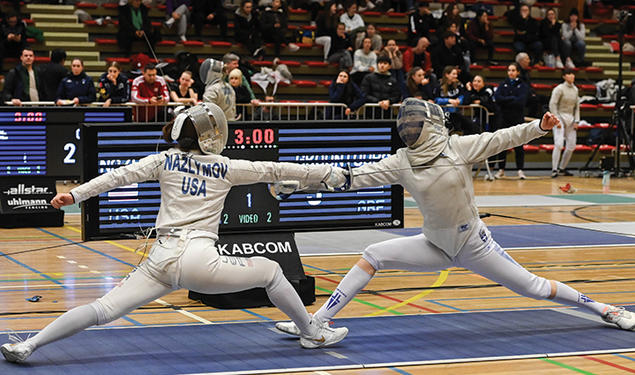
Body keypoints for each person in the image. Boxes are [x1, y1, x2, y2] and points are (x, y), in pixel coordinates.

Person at [0, 103, 350, 364]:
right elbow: (276, 168)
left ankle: (28, 344)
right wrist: (327, 174)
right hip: (200, 259)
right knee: (273, 271)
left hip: (161, 259)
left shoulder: (164, 160)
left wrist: (74, 194)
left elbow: (117, 176)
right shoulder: (227, 167)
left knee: (102, 308)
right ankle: (311, 332)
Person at [274, 98, 635, 339]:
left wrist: (538, 128)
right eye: (406, 123)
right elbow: (352, 177)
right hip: (434, 243)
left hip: (473, 244)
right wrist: (303, 183)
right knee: (374, 254)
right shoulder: (402, 160)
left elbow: (501, 138)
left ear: (430, 125)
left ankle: (607, 309)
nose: (409, 129)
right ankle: (315, 324)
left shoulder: (458, 148)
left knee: (534, 287)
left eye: (415, 123)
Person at [493, 63, 529, 179]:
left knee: (519, 145)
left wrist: (506, 100)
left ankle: (520, 170)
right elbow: (498, 98)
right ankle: (501, 169)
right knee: (502, 143)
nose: (511, 72)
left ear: (518, 72)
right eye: (509, 70)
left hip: (517, 118)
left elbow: (521, 101)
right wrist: (512, 99)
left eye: (513, 70)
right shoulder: (503, 84)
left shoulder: (523, 85)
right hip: (504, 118)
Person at [549, 68, 579, 178]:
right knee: (559, 144)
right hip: (560, 117)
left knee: (571, 145)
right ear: (564, 76)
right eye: (569, 74)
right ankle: (554, 169)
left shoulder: (575, 89)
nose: (572, 76)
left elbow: (577, 107)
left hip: (571, 119)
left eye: (573, 74)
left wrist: (576, 120)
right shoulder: (559, 89)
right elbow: (553, 104)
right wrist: (556, 119)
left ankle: (562, 168)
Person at [433, 65, 475, 135]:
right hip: (443, 115)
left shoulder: (459, 85)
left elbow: (463, 96)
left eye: (456, 74)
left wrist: (459, 100)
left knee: (470, 125)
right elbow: (436, 99)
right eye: (454, 74)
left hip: (456, 114)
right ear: (447, 75)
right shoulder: (439, 86)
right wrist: (449, 100)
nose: (456, 76)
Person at [361, 54, 401, 119]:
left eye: (385, 63)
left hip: (387, 113)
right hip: (370, 113)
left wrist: (389, 101)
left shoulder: (393, 80)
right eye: (380, 63)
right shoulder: (368, 78)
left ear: (389, 66)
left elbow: (396, 95)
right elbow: (364, 94)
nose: (382, 65)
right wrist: (378, 102)